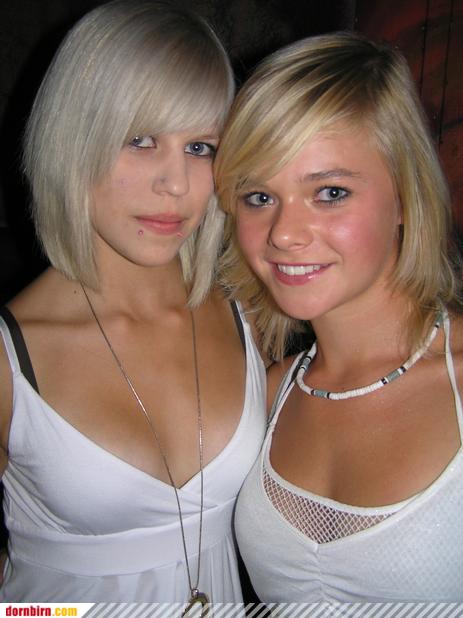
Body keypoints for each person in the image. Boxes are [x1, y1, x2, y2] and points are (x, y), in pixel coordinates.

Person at [0, 0, 267, 604]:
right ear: (74, 141)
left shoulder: (249, 311)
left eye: (200, 147)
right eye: (140, 140)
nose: (175, 184)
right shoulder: (11, 358)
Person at [214, 31, 463, 601]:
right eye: (258, 197)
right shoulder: (268, 394)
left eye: (329, 192)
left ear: (405, 196)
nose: (283, 233)